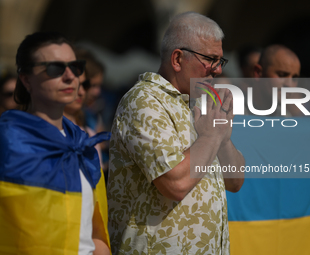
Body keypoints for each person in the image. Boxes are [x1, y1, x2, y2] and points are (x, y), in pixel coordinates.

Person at [107, 12, 244, 255]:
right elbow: (175, 183)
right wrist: (211, 136)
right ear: (178, 59)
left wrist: (222, 133)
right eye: (210, 59)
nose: (217, 71)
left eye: (220, 61)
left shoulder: (196, 105)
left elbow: (235, 181)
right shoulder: (144, 101)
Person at [0, 31, 111, 255]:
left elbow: (96, 234)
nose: (70, 76)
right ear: (26, 79)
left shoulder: (82, 145)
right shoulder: (7, 140)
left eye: (76, 67)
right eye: (55, 68)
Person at [252, 44, 301, 116]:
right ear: (258, 73)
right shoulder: (233, 114)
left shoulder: (286, 119)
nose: (289, 85)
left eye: (294, 79)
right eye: (282, 75)